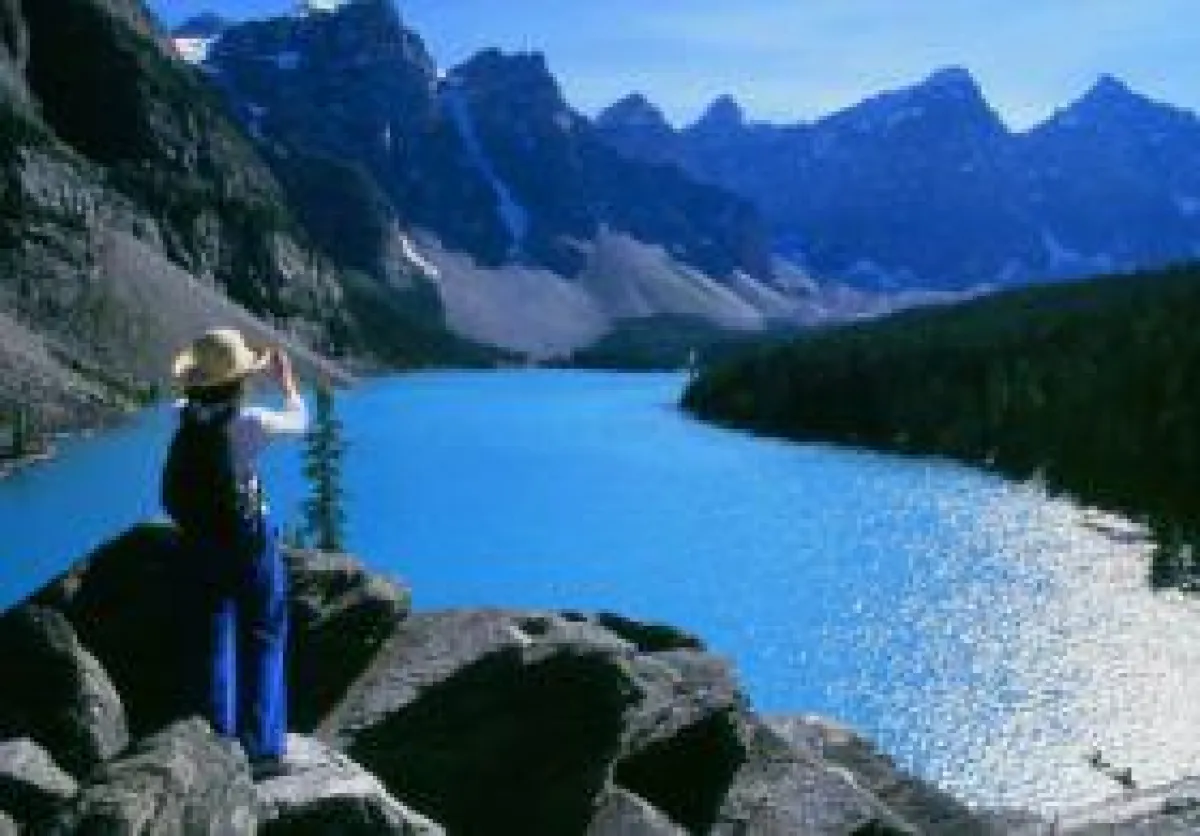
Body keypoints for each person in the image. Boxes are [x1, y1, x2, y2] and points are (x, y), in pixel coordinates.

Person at [166, 327, 308, 775]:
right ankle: (262, 748)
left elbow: (195, 398)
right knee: (264, 630)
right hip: (247, 539)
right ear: (240, 382)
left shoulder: (184, 417)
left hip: (200, 539)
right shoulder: (251, 425)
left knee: (214, 633)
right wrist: (287, 385)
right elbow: (300, 421)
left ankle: (214, 743)